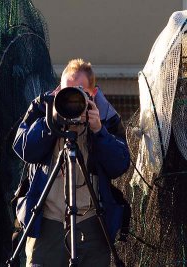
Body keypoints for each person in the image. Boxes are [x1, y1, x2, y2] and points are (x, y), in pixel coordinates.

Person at [12, 58, 130, 266]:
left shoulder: (104, 116)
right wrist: (51, 120)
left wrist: (98, 131)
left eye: (79, 93)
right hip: (48, 220)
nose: (71, 99)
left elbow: (120, 165)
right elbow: (24, 149)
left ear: (92, 94)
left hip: (91, 221)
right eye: (66, 91)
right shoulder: (44, 108)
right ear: (58, 89)